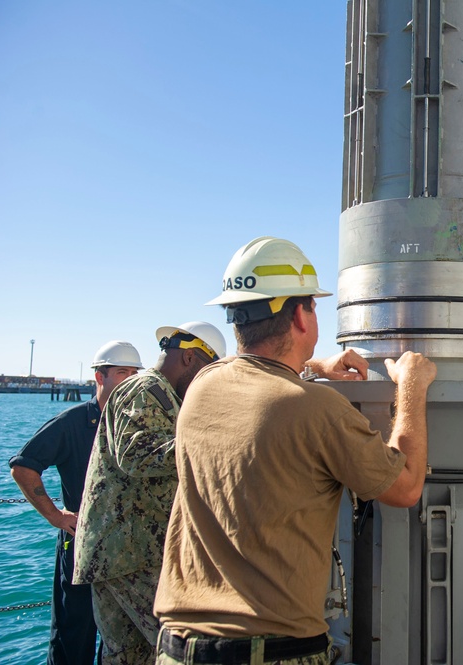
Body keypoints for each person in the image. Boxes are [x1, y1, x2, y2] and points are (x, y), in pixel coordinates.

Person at [153, 236, 437, 665]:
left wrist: (313, 365)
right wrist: (412, 386)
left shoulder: (202, 387)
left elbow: (257, 375)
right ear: (301, 317)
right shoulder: (318, 410)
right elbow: (406, 487)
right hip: (272, 651)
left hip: (178, 648)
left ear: (237, 320)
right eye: (313, 306)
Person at [73, 322, 227, 665]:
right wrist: (218, 442)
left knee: (130, 657)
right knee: (187, 647)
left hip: (124, 552)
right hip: (130, 553)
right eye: (208, 370)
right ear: (189, 358)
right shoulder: (144, 388)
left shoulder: (165, 395)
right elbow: (136, 454)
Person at [9, 340, 143, 665]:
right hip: (81, 546)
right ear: (100, 377)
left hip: (127, 554)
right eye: (121, 373)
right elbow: (24, 466)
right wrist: (56, 516)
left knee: (122, 640)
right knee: (74, 634)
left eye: (134, 374)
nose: (129, 380)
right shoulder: (72, 423)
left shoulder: (138, 425)